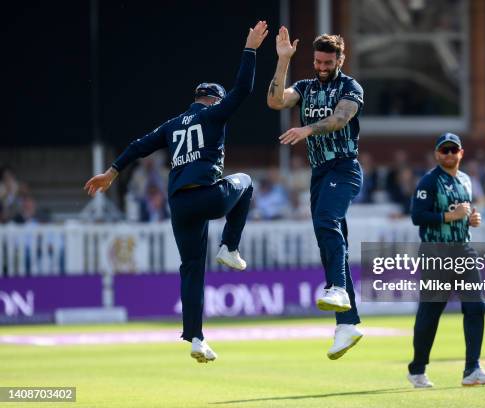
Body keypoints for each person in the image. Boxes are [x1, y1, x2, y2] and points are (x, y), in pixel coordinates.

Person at [84, 21, 269, 364]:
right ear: (213, 99)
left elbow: (139, 145)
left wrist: (111, 172)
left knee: (192, 269)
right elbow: (243, 90)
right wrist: (250, 49)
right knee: (246, 180)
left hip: (179, 205)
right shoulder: (215, 114)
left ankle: (196, 337)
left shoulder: (172, 124)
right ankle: (230, 246)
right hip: (208, 195)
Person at [267, 27, 364, 359]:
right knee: (330, 243)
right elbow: (276, 101)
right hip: (320, 173)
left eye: (327, 61)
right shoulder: (305, 87)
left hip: (344, 168)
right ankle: (347, 325)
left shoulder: (350, 87)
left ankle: (337, 289)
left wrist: (307, 128)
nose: (321, 67)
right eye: (317, 61)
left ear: (340, 59)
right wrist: (282, 61)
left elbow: (340, 119)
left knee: (326, 220)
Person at [408, 133, 485, 388]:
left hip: (464, 249)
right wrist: (449, 218)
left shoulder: (466, 181)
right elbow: (417, 216)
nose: (449, 154)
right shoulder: (429, 181)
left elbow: (463, 212)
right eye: (444, 150)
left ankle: (473, 368)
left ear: (461, 153)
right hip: (436, 251)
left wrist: (471, 220)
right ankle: (417, 369)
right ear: (437, 154)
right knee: (432, 311)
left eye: (453, 150)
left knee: (476, 306)